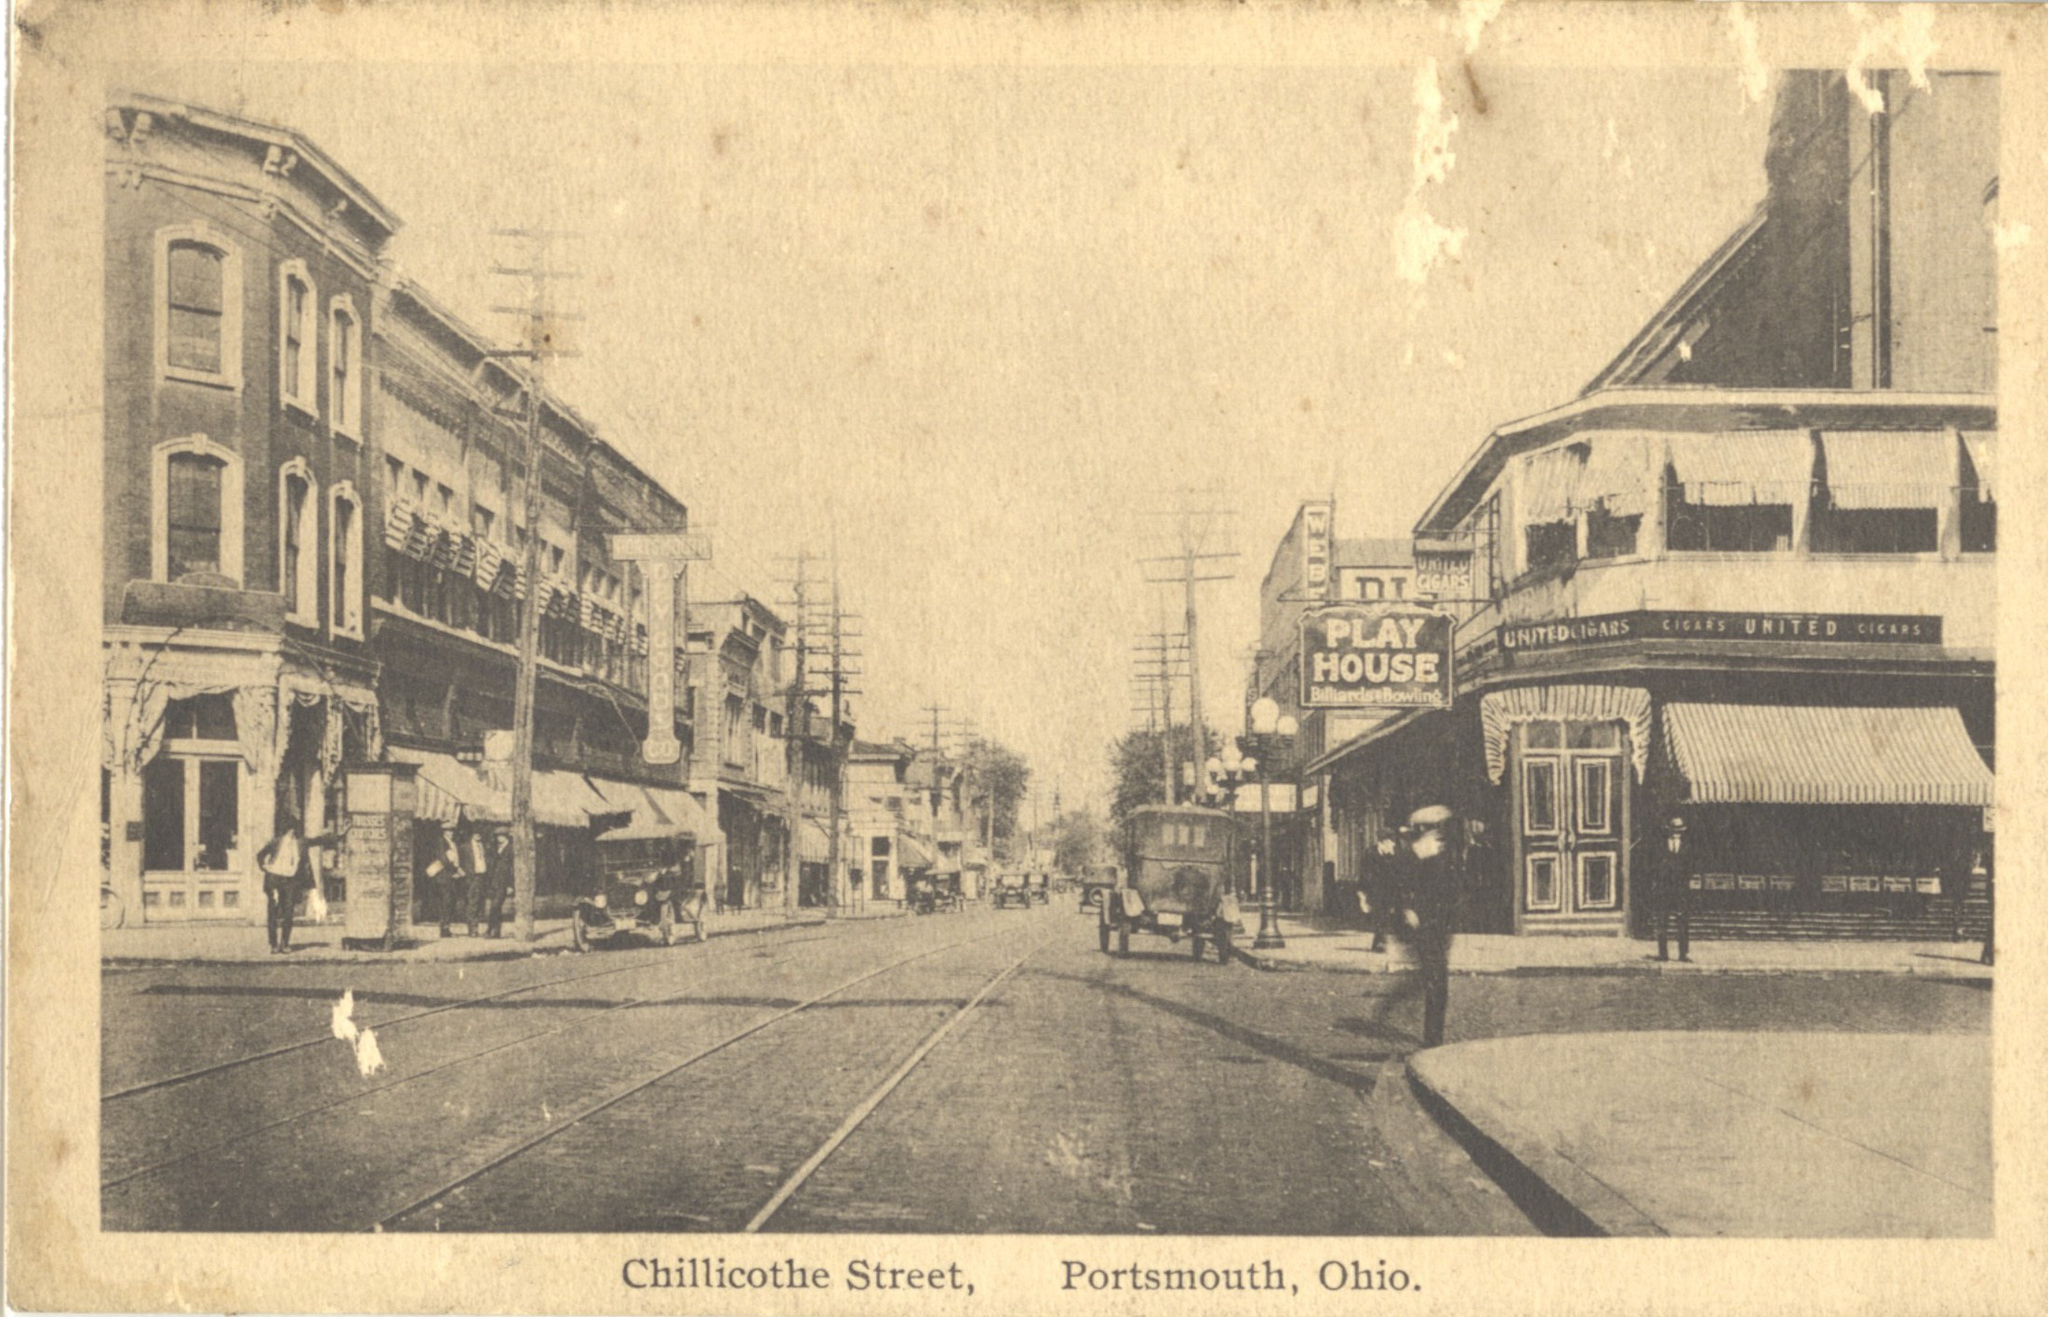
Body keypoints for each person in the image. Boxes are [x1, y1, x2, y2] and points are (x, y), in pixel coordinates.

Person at [1372, 804, 1458, 1048]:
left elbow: (1449, 886)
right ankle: (1432, 1040)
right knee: (1434, 981)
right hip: (1422, 925)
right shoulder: (1412, 855)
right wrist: (1407, 908)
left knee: (1431, 981)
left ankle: (1430, 1034)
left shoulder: (1441, 854)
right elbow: (1397, 885)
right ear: (1423, 831)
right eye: (1433, 829)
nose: (1438, 834)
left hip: (1440, 924)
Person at [257, 807, 336, 955]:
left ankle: (285, 943)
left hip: (291, 881)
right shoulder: (275, 842)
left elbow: (319, 840)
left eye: (294, 830)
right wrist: (264, 867)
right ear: (287, 830)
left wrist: (339, 835)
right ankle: (274, 944)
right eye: (291, 830)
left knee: (288, 912)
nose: (293, 833)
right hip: (274, 879)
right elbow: (260, 855)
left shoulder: (301, 843)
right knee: (273, 912)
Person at [1655, 814, 1693, 963]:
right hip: (1664, 889)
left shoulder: (1688, 846)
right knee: (1662, 922)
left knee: (1683, 923)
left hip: (1681, 890)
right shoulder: (1660, 845)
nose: (1676, 832)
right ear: (1669, 830)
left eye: (1679, 829)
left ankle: (1683, 954)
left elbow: (1691, 866)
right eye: (1674, 829)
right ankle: (1662, 954)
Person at [424, 820, 467, 937]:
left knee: (450, 902)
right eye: (448, 831)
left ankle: (446, 928)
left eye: (452, 831)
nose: (451, 833)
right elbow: (444, 860)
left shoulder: (452, 843)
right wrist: (456, 870)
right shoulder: (441, 843)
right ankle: (444, 929)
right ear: (444, 832)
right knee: (446, 902)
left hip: (451, 876)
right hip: (444, 876)